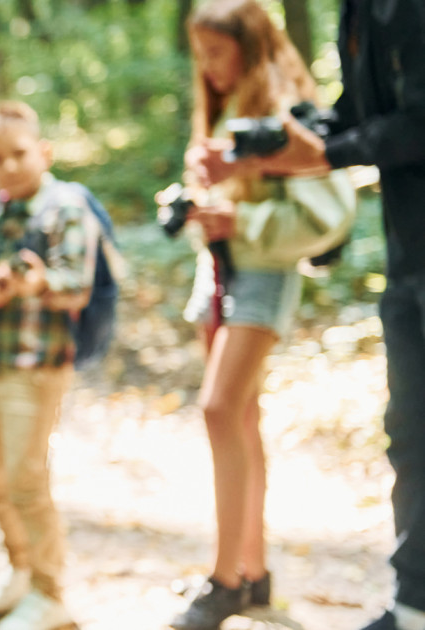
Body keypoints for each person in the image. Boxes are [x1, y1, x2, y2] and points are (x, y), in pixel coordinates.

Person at [171, 2, 356, 628]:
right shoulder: (225, 104)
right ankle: (251, 572)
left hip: (262, 273)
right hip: (218, 269)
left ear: (251, 47)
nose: (209, 69)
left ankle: (224, 580)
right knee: (240, 418)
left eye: (219, 54)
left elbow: (329, 211)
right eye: (202, 56)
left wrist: (241, 216)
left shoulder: (283, 107)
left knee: (219, 407)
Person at [251, 2, 425, 628]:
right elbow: (358, 114)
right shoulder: (359, 10)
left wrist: (330, 155)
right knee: (411, 429)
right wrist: (285, 140)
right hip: (409, 260)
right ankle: (413, 607)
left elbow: (416, 124)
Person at [0, 100, 99, 630]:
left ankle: (49, 590)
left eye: (20, 154)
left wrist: (38, 282)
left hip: (36, 366)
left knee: (26, 477)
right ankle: (20, 568)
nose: (10, 165)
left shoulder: (65, 208)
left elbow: (78, 283)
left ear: (43, 152)